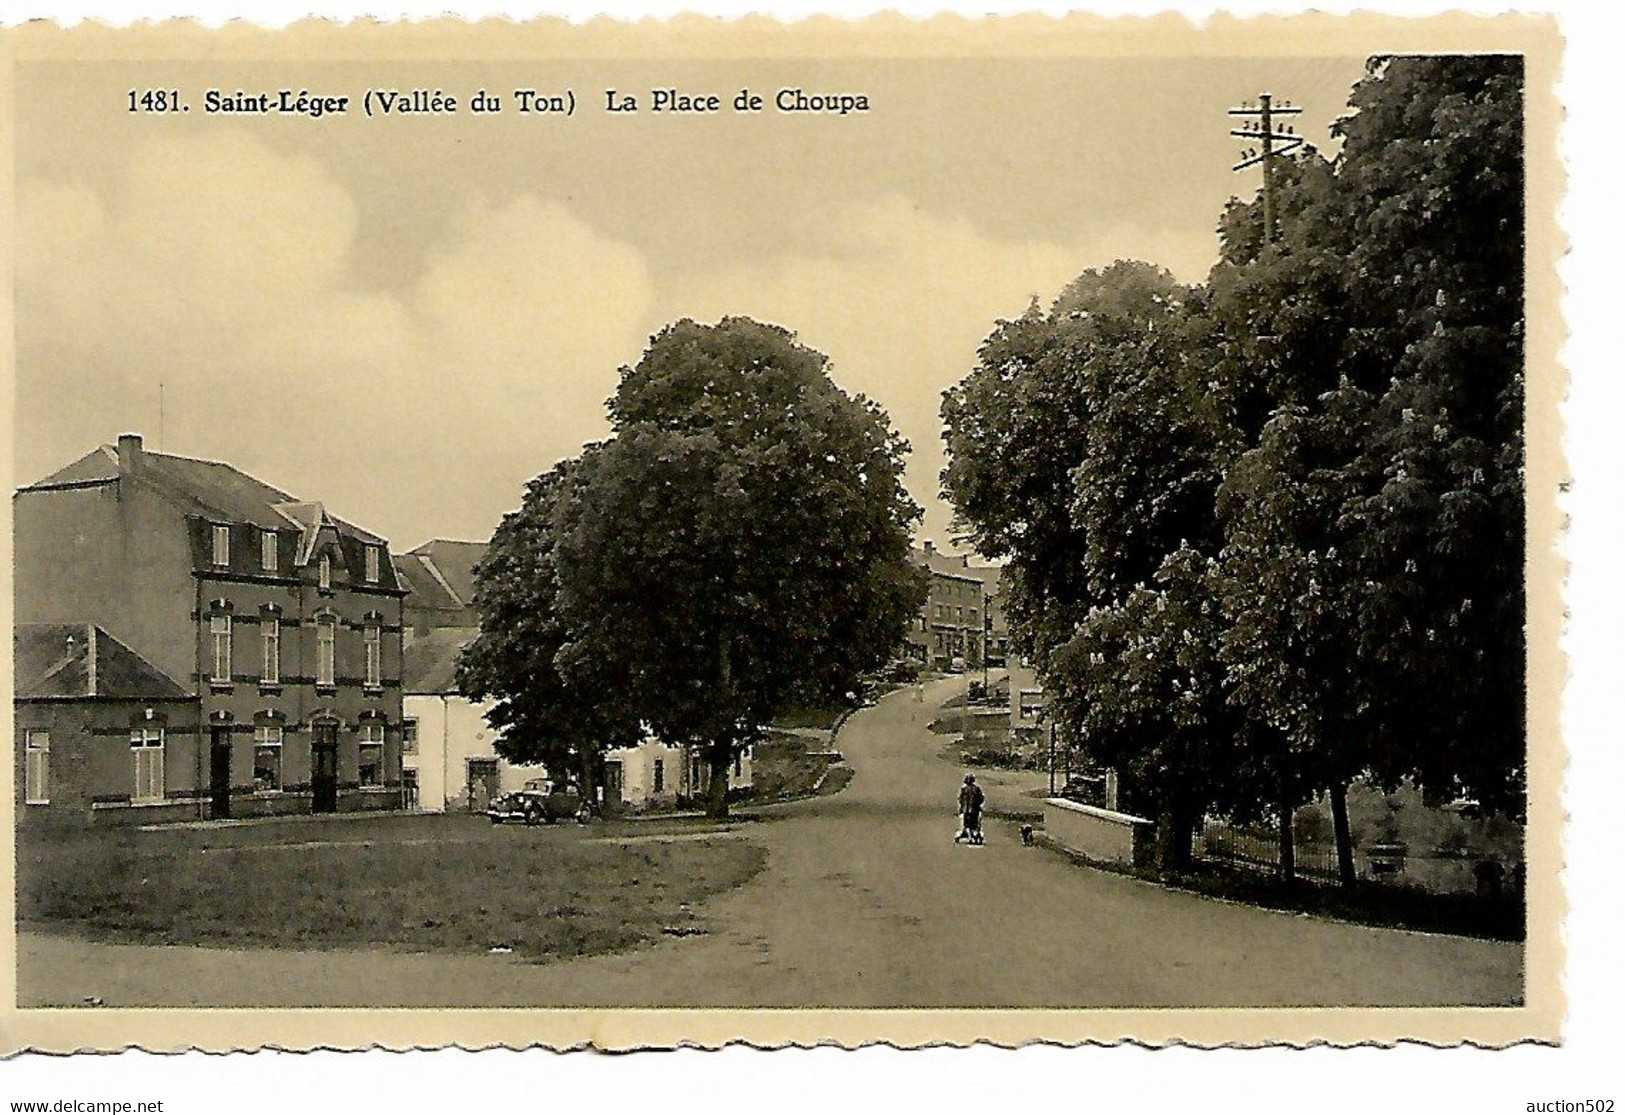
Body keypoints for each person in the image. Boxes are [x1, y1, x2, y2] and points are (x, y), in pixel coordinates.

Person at [956, 774, 985, 844]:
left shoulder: (964, 789)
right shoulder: (977, 789)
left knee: (967, 824)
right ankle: (973, 834)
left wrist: (961, 808)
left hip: (967, 810)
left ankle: (970, 835)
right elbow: (981, 798)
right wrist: (978, 805)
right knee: (974, 823)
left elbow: (960, 799)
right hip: (974, 810)